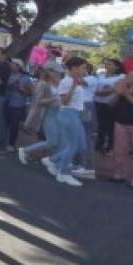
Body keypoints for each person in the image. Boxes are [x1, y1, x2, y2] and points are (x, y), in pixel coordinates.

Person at [43, 56, 89, 186]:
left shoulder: (76, 80)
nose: (85, 70)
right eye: (83, 68)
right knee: (72, 146)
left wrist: (79, 83)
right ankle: (63, 173)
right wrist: (73, 87)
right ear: (74, 68)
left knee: (80, 146)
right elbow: (64, 101)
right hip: (68, 113)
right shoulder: (66, 82)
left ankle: (52, 161)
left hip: (75, 114)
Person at [18, 62, 63, 164]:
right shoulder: (43, 84)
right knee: (52, 141)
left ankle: (53, 160)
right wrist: (54, 99)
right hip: (49, 114)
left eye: (59, 73)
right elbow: (38, 101)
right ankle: (26, 151)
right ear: (50, 72)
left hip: (58, 114)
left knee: (57, 141)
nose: (58, 74)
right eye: (56, 72)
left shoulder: (58, 83)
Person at [93, 58, 125, 154]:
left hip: (112, 103)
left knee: (111, 125)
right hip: (99, 102)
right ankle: (99, 143)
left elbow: (119, 89)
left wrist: (108, 91)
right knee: (101, 124)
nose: (107, 66)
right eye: (106, 64)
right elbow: (95, 88)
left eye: (110, 64)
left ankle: (110, 145)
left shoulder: (121, 76)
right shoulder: (100, 75)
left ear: (117, 66)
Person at [5, 58, 32, 150]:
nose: (11, 65)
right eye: (11, 64)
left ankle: (11, 144)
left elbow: (30, 92)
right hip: (6, 102)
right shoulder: (7, 75)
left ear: (18, 66)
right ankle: (3, 141)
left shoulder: (25, 78)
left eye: (13, 64)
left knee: (14, 125)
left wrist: (21, 89)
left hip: (18, 104)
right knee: (5, 123)